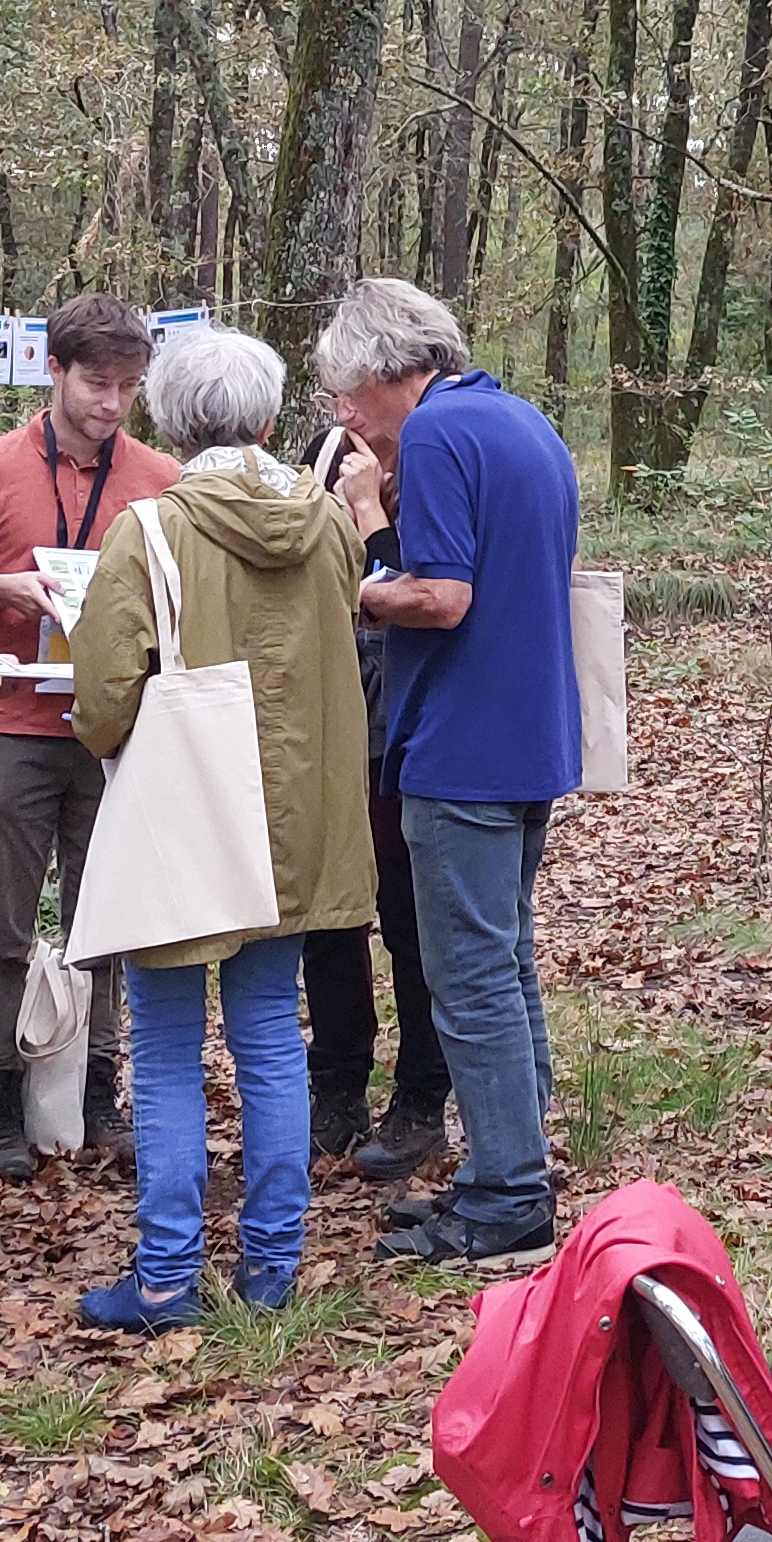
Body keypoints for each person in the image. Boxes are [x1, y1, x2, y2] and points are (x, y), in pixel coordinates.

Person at [65, 322, 374, 1327]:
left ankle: (164, 1276)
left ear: (167, 417)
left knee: (162, 1048)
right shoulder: (331, 525)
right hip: (296, 816)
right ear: (272, 417)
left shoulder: (150, 530)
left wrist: (105, 739)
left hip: (187, 816)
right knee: (273, 1042)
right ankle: (272, 1269)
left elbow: (105, 693)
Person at [320, 276, 584, 1269]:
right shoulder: (524, 421)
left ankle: (508, 1195)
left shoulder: (433, 434)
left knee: (470, 977)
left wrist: (358, 583)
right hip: (530, 734)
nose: (350, 416)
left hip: (464, 742)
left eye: (349, 394)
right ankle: (512, 1162)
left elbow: (441, 596)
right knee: (503, 963)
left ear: (388, 370)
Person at [0, 294, 179, 1180]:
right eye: (95, 383)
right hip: (10, 724)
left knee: (106, 920)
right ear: (53, 371)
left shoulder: (159, 479)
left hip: (112, 733)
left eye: (127, 387)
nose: (110, 404)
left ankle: (98, 1091)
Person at [308, 422, 446, 1179]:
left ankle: (422, 1099)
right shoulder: (325, 459)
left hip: (407, 737)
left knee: (410, 923)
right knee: (329, 922)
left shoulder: (438, 468)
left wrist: (371, 512)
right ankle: (335, 1090)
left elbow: (419, 588)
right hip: (329, 732)